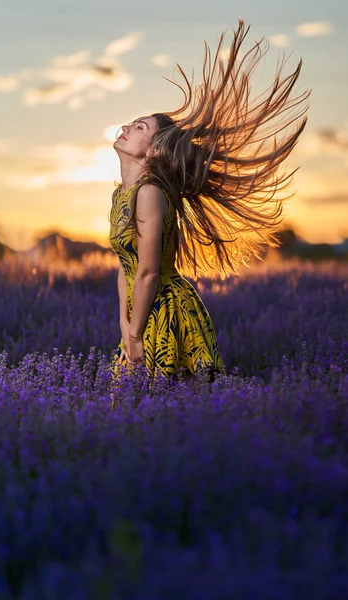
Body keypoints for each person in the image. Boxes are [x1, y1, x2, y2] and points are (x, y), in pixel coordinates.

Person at [108, 19, 310, 383]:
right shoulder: (120, 195)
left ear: (154, 150)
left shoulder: (150, 193)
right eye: (130, 123)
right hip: (138, 317)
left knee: (167, 416)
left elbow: (150, 271)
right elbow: (126, 266)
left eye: (139, 127)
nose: (126, 127)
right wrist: (124, 327)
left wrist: (135, 334)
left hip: (166, 313)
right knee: (135, 415)